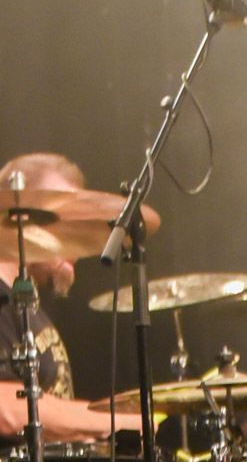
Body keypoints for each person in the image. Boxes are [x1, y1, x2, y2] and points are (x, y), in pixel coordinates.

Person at [0, 150, 142, 440]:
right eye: (65, 219)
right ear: (20, 217)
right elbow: (7, 409)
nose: (77, 234)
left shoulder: (29, 309)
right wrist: (116, 420)